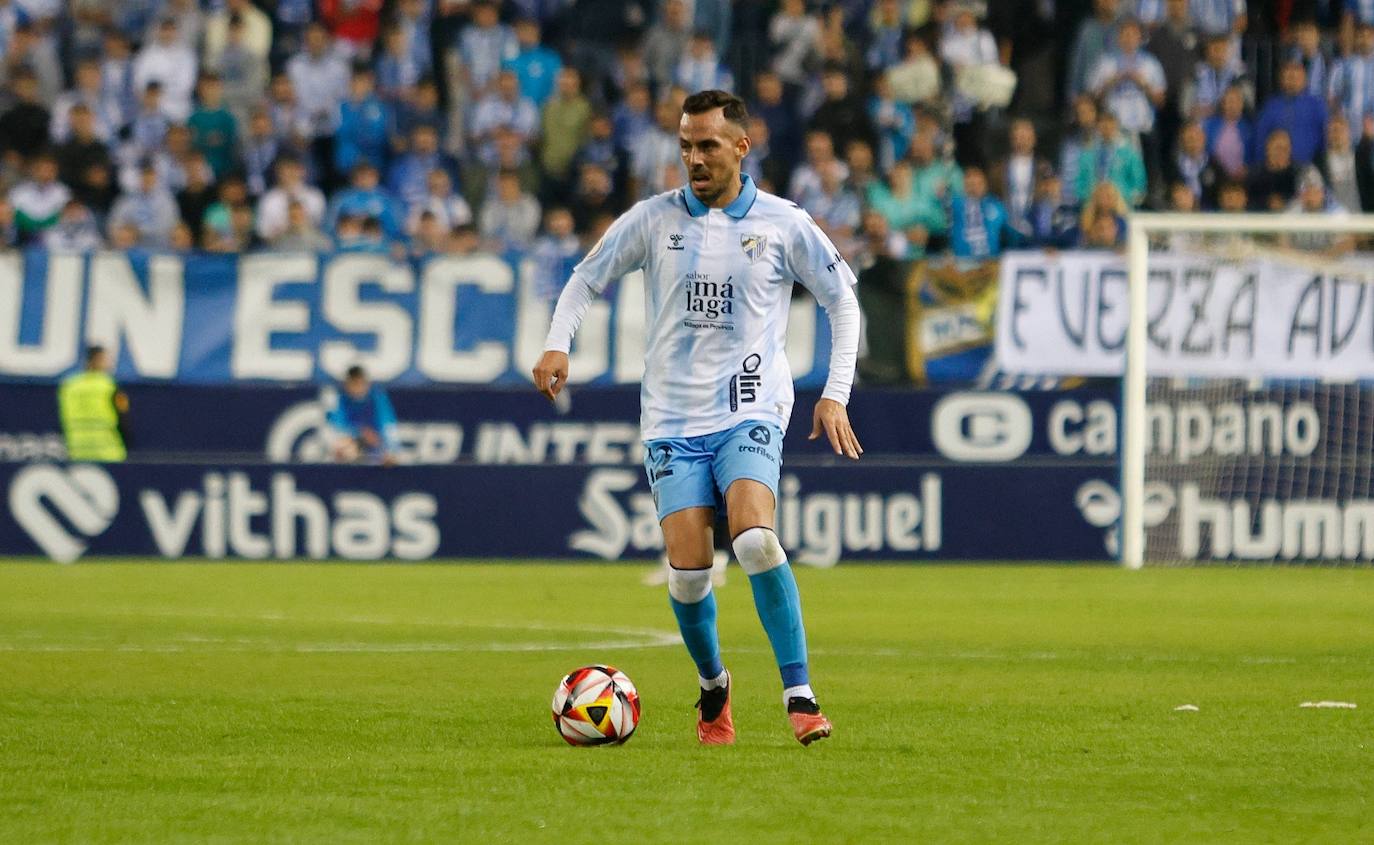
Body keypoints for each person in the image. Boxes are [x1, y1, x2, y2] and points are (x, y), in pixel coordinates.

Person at [532, 90, 861, 748]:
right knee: (687, 574)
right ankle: (714, 685)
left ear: (742, 146)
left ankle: (799, 691)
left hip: (751, 406)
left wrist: (836, 391)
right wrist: (556, 342)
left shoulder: (782, 222)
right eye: (685, 145)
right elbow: (585, 278)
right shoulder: (654, 220)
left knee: (754, 537)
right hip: (673, 418)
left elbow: (842, 300)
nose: (694, 158)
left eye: (707, 144)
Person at [58, 345, 128, 462]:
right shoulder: (109, 386)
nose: (109, 363)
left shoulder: (69, 386)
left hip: (78, 451)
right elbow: (123, 419)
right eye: (106, 359)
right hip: (108, 452)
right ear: (97, 359)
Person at [328, 365, 399, 466]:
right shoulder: (340, 400)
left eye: (360, 384)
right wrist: (359, 433)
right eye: (353, 384)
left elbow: (389, 426)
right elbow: (336, 425)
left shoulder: (377, 398)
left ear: (367, 384)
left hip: (377, 449)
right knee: (343, 446)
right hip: (352, 447)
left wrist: (391, 449)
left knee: (391, 457)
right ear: (346, 385)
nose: (357, 388)